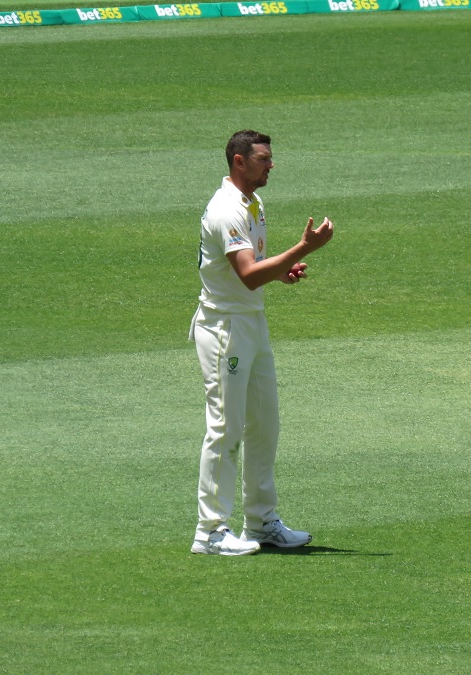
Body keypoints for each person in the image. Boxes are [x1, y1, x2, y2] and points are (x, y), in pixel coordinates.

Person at [189, 130, 334, 556]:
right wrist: (303, 247)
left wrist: (281, 270)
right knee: (226, 429)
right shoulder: (226, 210)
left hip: (251, 323)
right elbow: (249, 275)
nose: (271, 165)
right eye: (263, 159)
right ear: (239, 161)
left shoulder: (252, 202)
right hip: (224, 329)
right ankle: (210, 532)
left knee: (264, 425)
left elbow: (251, 269)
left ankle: (261, 522)